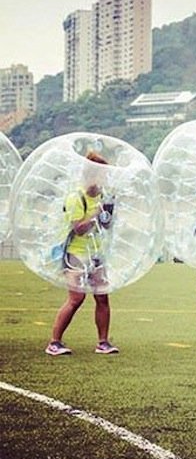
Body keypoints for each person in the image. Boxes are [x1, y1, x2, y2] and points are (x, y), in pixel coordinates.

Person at [45, 151, 118, 356]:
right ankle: (54, 342)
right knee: (76, 299)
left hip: (96, 253)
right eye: (103, 174)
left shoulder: (103, 196)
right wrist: (97, 212)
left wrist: (107, 215)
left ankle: (103, 342)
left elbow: (105, 226)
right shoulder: (76, 198)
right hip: (76, 253)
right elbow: (78, 228)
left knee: (102, 297)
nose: (105, 178)